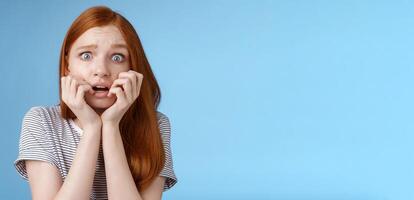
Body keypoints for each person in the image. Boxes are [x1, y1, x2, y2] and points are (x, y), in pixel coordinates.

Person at [14, 6, 177, 200]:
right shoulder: (41, 122)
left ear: (132, 67)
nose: (101, 70)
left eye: (117, 57)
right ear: (67, 65)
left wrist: (110, 126)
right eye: (86, 55)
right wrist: (92, 128)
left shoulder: (156, 125)